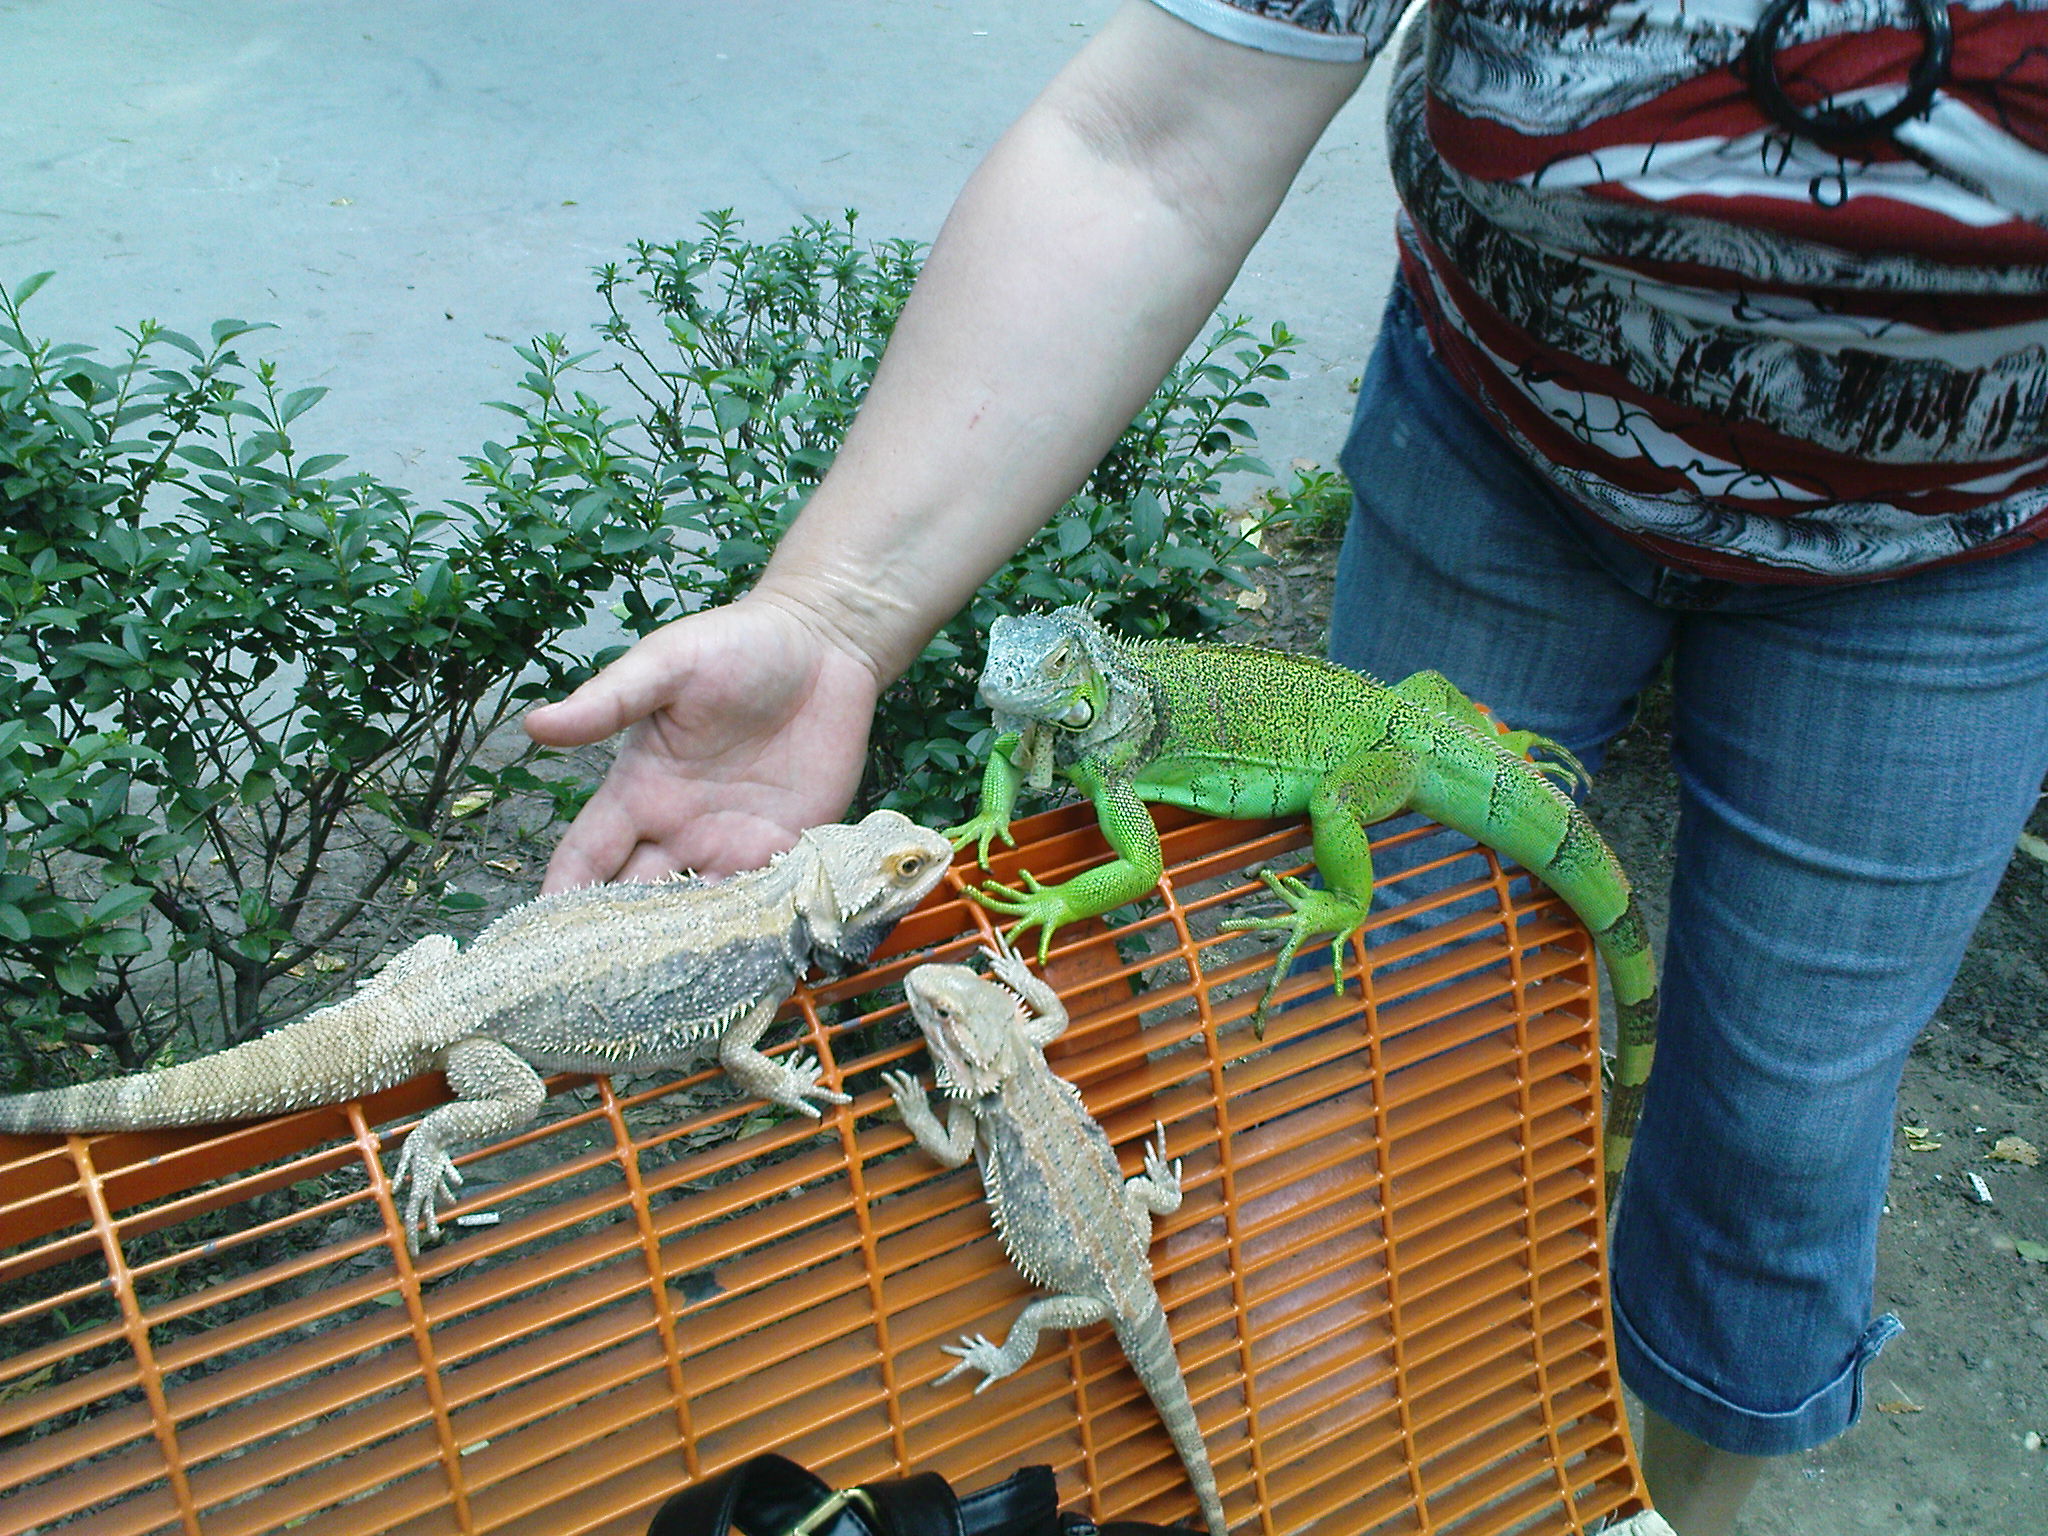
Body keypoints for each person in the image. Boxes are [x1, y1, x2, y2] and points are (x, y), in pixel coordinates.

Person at [523, 3, 2048, 1531]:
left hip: (1958, 548)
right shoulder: (1082, 725)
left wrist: (1293, 892)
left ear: (1083, 678)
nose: (1020, 701)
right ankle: (1353, 1444)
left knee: (1782, 1129)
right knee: (1367, 1045)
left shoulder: (1124, 760)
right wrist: (832, 618)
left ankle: (1659, 1494)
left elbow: (1131, 857)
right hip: (1502, 444)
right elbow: (1146, 138)